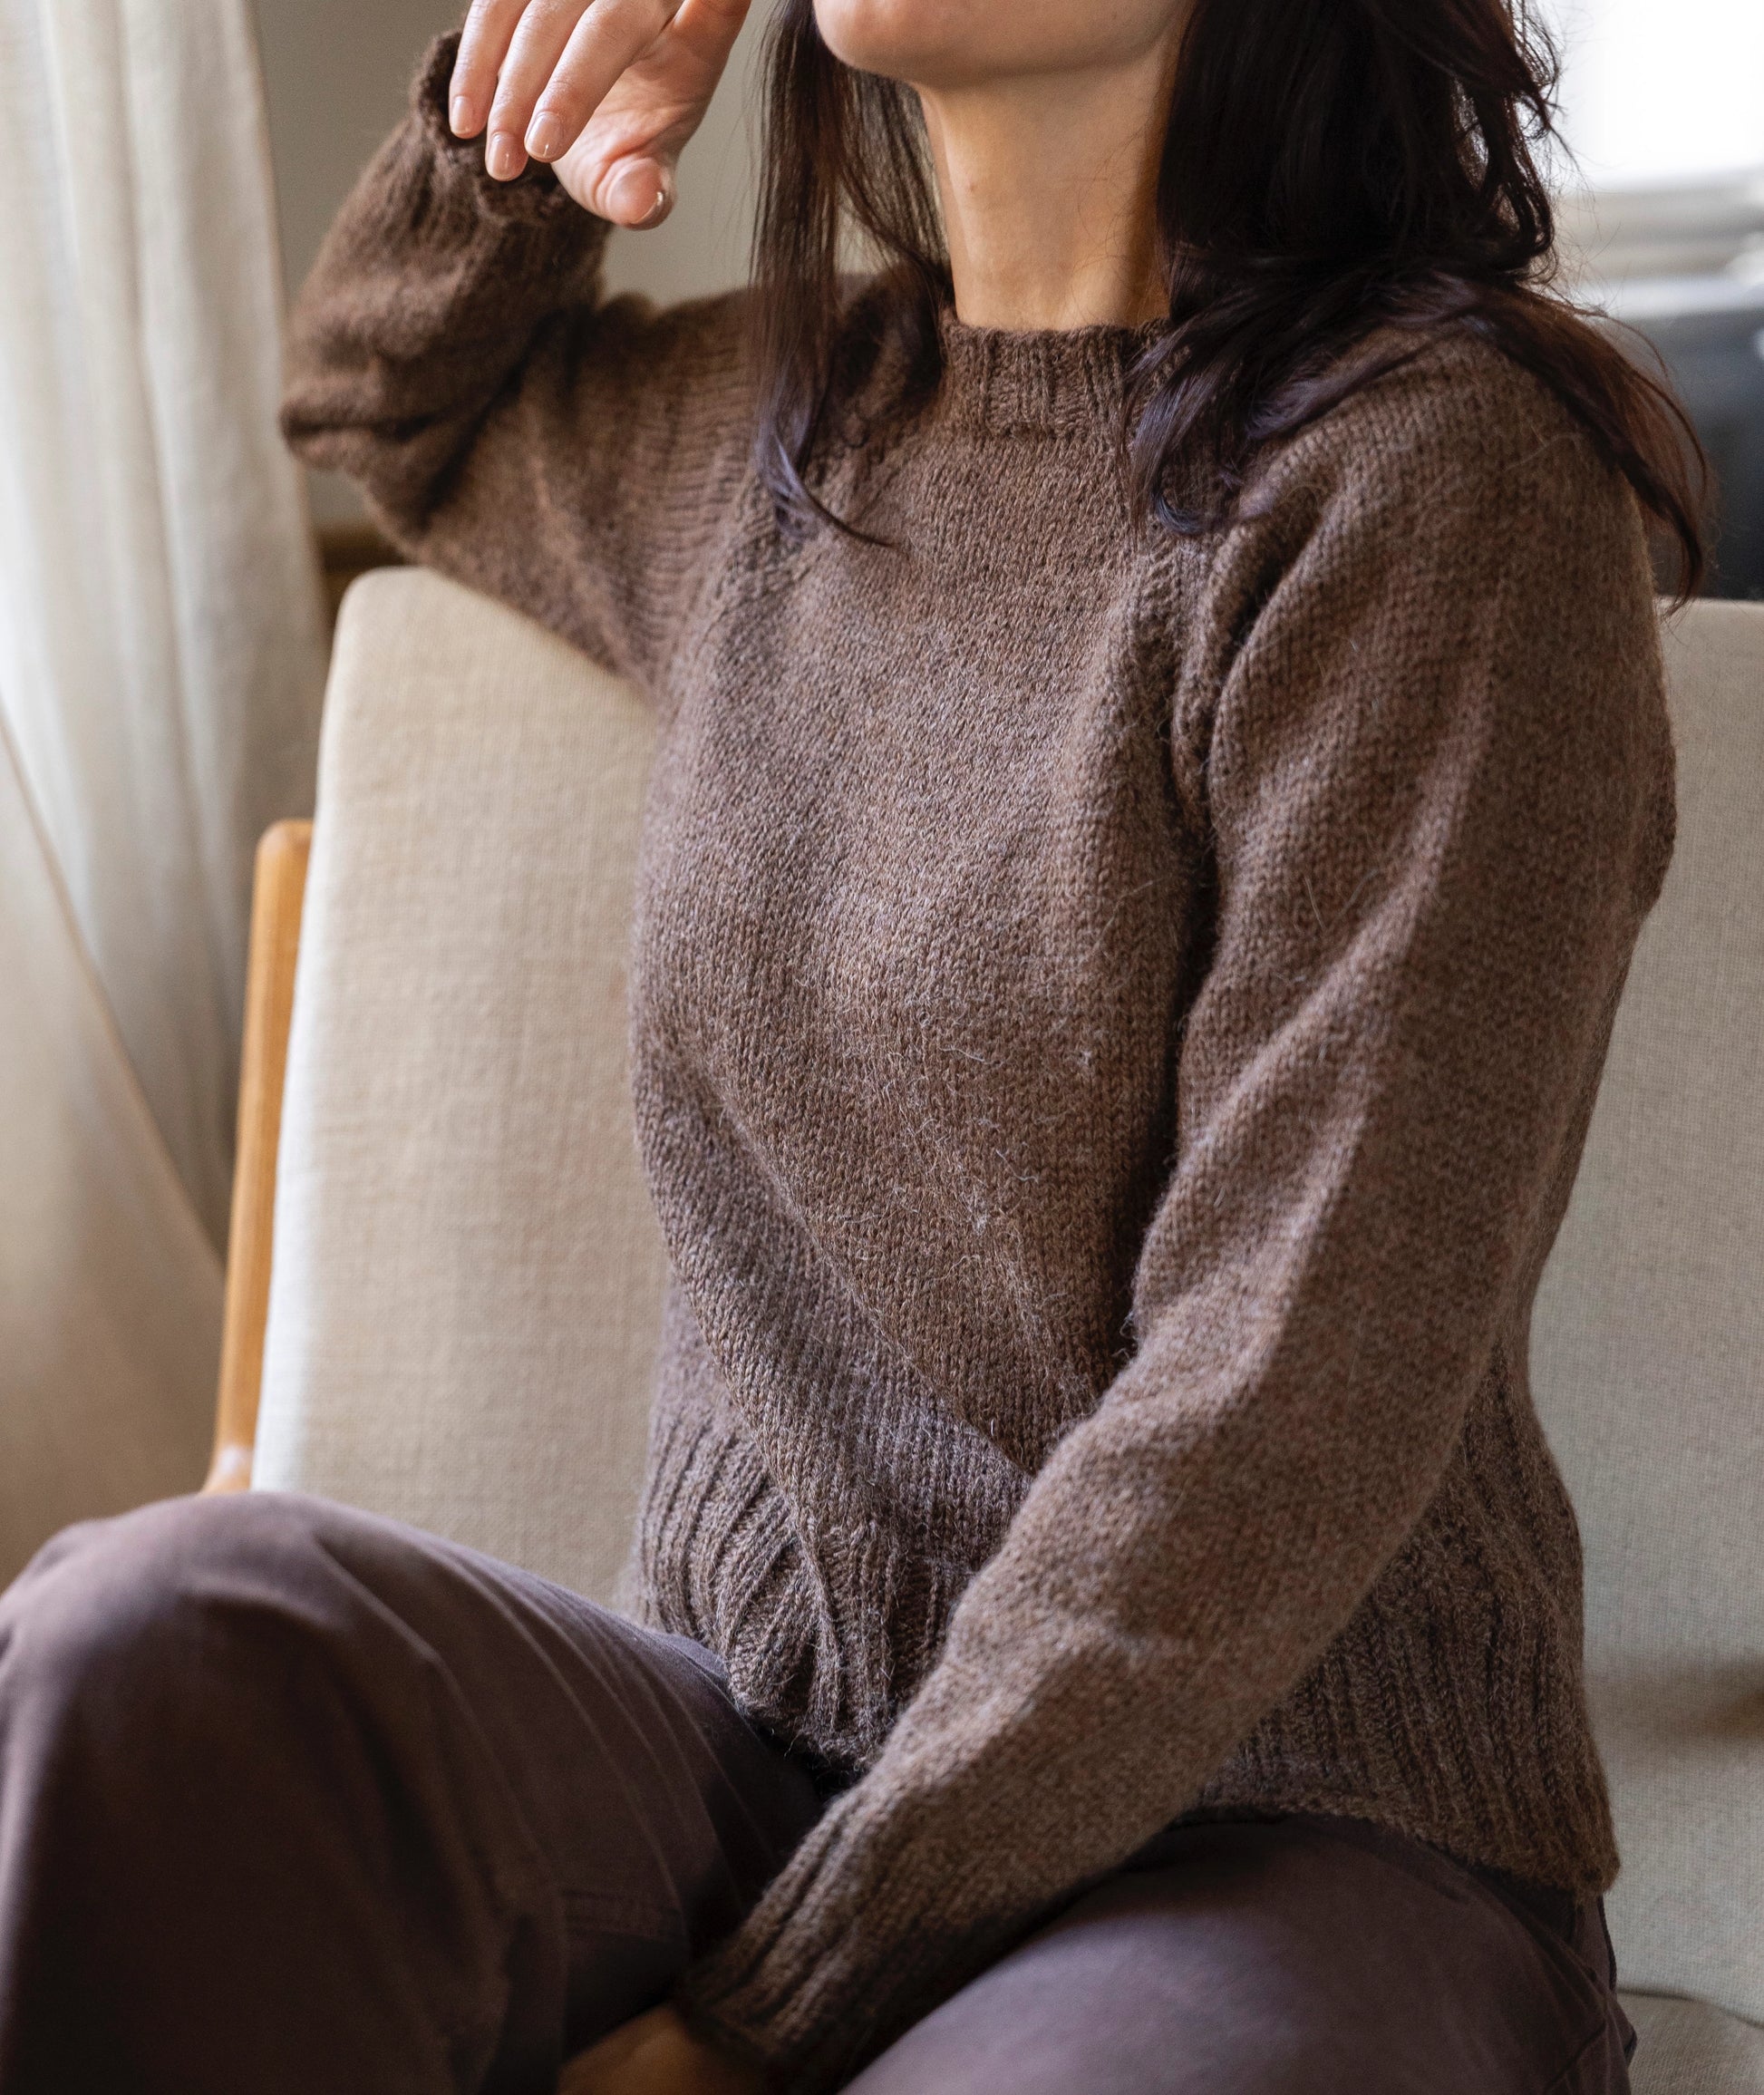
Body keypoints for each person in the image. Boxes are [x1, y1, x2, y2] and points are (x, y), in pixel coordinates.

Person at [0, 1, 1705, 2090]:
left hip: (1289, 1820)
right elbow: (377, 391)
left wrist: (769, 2019)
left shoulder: (1433, 481)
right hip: (757, 1745)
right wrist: (531, 115)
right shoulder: (783, 431)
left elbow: (1288, 1393)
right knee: (151, 1644)